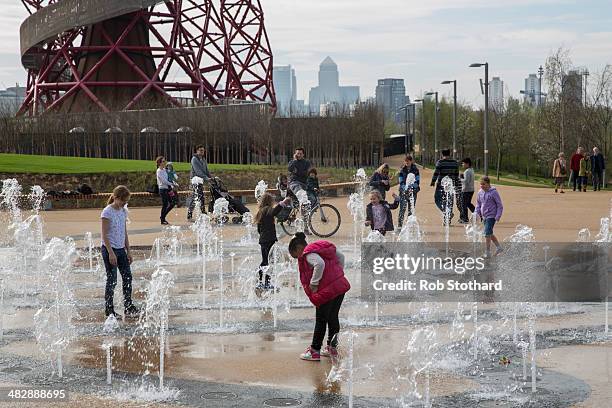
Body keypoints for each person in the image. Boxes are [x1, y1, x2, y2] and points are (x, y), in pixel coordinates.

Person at [289, 232, 350, 361]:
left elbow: (320, 264)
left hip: (325, 291)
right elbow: (341, 257)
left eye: (296, 256)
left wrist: (314, 283)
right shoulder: (321, 248)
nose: (298, 259)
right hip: (339, 286)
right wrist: (338, 274)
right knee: (333, 317)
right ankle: (332, 347)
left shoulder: (308, 254)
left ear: (298, 248)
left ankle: (315, 350)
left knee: (321, 320)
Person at [101, 186, 139, 318]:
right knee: (112, 280)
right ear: (116, 198)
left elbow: (124, 233)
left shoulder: (123, 211)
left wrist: (129, 251)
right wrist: (111, 253)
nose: (125, 203)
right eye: (123, 201)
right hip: (109, 250)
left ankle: (128, 305)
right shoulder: (107, 212)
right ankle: (109, 309)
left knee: (127, 277)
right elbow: (104, 235)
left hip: (121, 250)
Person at [253, 193, 292, 289]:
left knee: (265, 261)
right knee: (270, 261)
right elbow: (274, 212)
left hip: (263, 240)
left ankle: (259, 281)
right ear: (270, 202)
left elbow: (259, 229)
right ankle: (267, 282)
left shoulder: (260, 212)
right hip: (269, 240)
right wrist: (283, 203)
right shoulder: (267, 210)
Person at [475, 176, 504, 258]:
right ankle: (499, 248)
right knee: (489, 233)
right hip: (484, 216)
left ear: (488, 184)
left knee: (487, 233)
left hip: (492, 216)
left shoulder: (493, 192)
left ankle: (487, 252)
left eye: (483, 184)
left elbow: (500, 205)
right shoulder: (480, 192)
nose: (481, 186)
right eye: (480, 184)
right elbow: (478, 204)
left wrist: (497, 216)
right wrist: (476, 213)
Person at [430, 149, 461, 224]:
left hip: (441, 184)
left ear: (442, 154)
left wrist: (433, 181)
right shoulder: (455, 163)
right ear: (449, 154)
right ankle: (447, 219)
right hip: (451, 184)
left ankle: (447, 213)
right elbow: (457, 174)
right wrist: (456, 183)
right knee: (449, 201)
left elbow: (436, 173)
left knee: (437, 199)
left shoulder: (440, 162)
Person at [187, 145, 212, 220]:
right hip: (195, 180)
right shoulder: (194, 159)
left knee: (197, 197)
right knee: (198, 197)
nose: (202, 152)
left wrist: (211, 177)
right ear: (197, 151)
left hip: (200, 181)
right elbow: (198, 172)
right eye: (200, 150)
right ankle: (201, 213)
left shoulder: (203, 159)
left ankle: (192, 213)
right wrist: (207, 178)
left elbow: (206, 170)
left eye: (203, 150)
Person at [397, 155, 420, 229]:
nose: (407, 162)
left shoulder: (415, 170)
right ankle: (399, 226)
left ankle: (408, 227)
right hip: (403, 192)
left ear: (411, 161)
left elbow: (417, 181)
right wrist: (405, 188)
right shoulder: (402, 170)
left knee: (411, 210)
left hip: (413, 192)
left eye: (408, 161)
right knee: (402, 209)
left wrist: (412, 187)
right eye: (405, 161)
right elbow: (400, 181)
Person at [156, 156, 176, 225]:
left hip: (168, 189)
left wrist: (173, 181)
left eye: (165, 161)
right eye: (163, 161)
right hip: (163, 190)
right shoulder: (159, 171)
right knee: (165, 204)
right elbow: (164, 181)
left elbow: (170, 176)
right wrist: (172, 183)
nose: (165, 162)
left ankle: (162, 216)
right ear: (159, 163)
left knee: (172, 203)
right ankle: (162, 219)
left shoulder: (165, 170)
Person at [459, 158, 475, 223]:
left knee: (463, 204)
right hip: (471, 190)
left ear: (467, 164)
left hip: (466, 190)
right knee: (468, 203)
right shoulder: (471, 170)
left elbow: (466, 181)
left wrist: (459, 179)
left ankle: (465, 219)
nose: (462, 165)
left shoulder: (467, 171)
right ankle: (478, 214)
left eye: (463, 163)